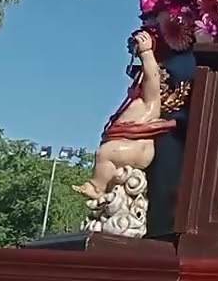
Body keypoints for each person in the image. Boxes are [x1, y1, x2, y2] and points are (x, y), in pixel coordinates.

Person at [73, 29, 176, 200]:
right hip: (126, 146)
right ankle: (103, 191)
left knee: (105, 154)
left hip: (138, 149)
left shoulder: (150, 102)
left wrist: (146, 52)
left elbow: (152, 76)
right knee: (106, 157)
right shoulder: (135, 102)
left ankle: (97, 188)